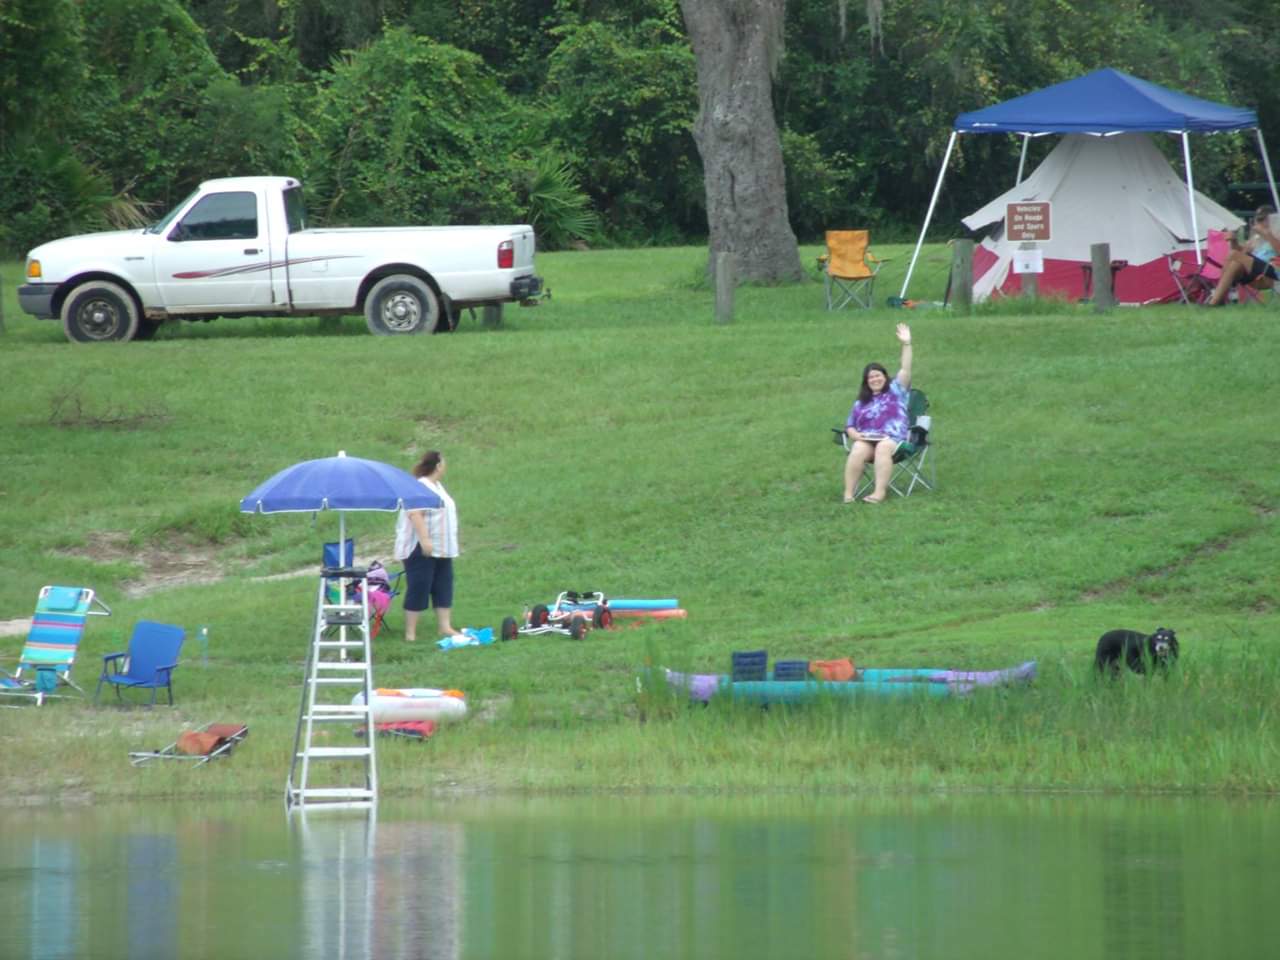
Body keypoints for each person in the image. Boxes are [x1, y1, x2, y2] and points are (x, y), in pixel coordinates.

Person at [394, 450, 465, 643]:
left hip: (443, 547)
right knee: (419, 585)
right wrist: (425, 540)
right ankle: (410, 633)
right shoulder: (420, 486)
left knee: (443, 584)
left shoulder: (439, 487)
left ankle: (445, 626)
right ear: (438, 465)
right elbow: (415, 513)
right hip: (420, 547)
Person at [842, 323, 913, 504]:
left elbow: (905, 369)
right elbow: (849, 425)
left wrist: (906, 344)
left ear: (885, 376)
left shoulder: (896, 389)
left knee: (883, 446)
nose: (875, 379)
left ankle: (879, 493)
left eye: (878, 375)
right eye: (870, 377)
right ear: (866, 382)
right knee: (857, 448)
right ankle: (849, 494)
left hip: (893, 439)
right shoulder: (861, 402)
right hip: (868, 440)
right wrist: (856, 435)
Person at [1206, 205, 1280, 305]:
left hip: (1272, 272)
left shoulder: (1277, 234)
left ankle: (1218, 297)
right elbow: (1242, 253)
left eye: (1263, 219)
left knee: (1234, 255)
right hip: (1255, 274)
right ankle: (1217, 301)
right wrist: (1234, 241)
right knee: (1236, 263)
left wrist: (1267, 234)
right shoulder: (1256, 237)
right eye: (1258, 219)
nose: (1259, 222)